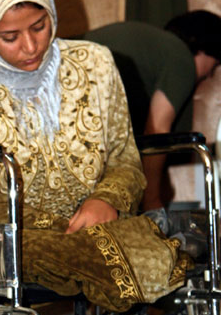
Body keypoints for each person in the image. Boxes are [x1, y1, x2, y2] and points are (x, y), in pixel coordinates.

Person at [0, 0, 191, 312]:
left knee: (133, 254)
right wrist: (65, 228)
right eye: (10, 37)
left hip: (94, 227)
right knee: (128, 256)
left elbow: (123, 157)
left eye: (39, 26)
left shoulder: (96, 63)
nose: (31, 46)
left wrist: (106, 200)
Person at [82, 14, 221, 211]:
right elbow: (157, 130)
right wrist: (152, 201)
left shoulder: (154, 49)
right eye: (214, 66)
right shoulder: (181, 60)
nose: (208, 75)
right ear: (206, 49)